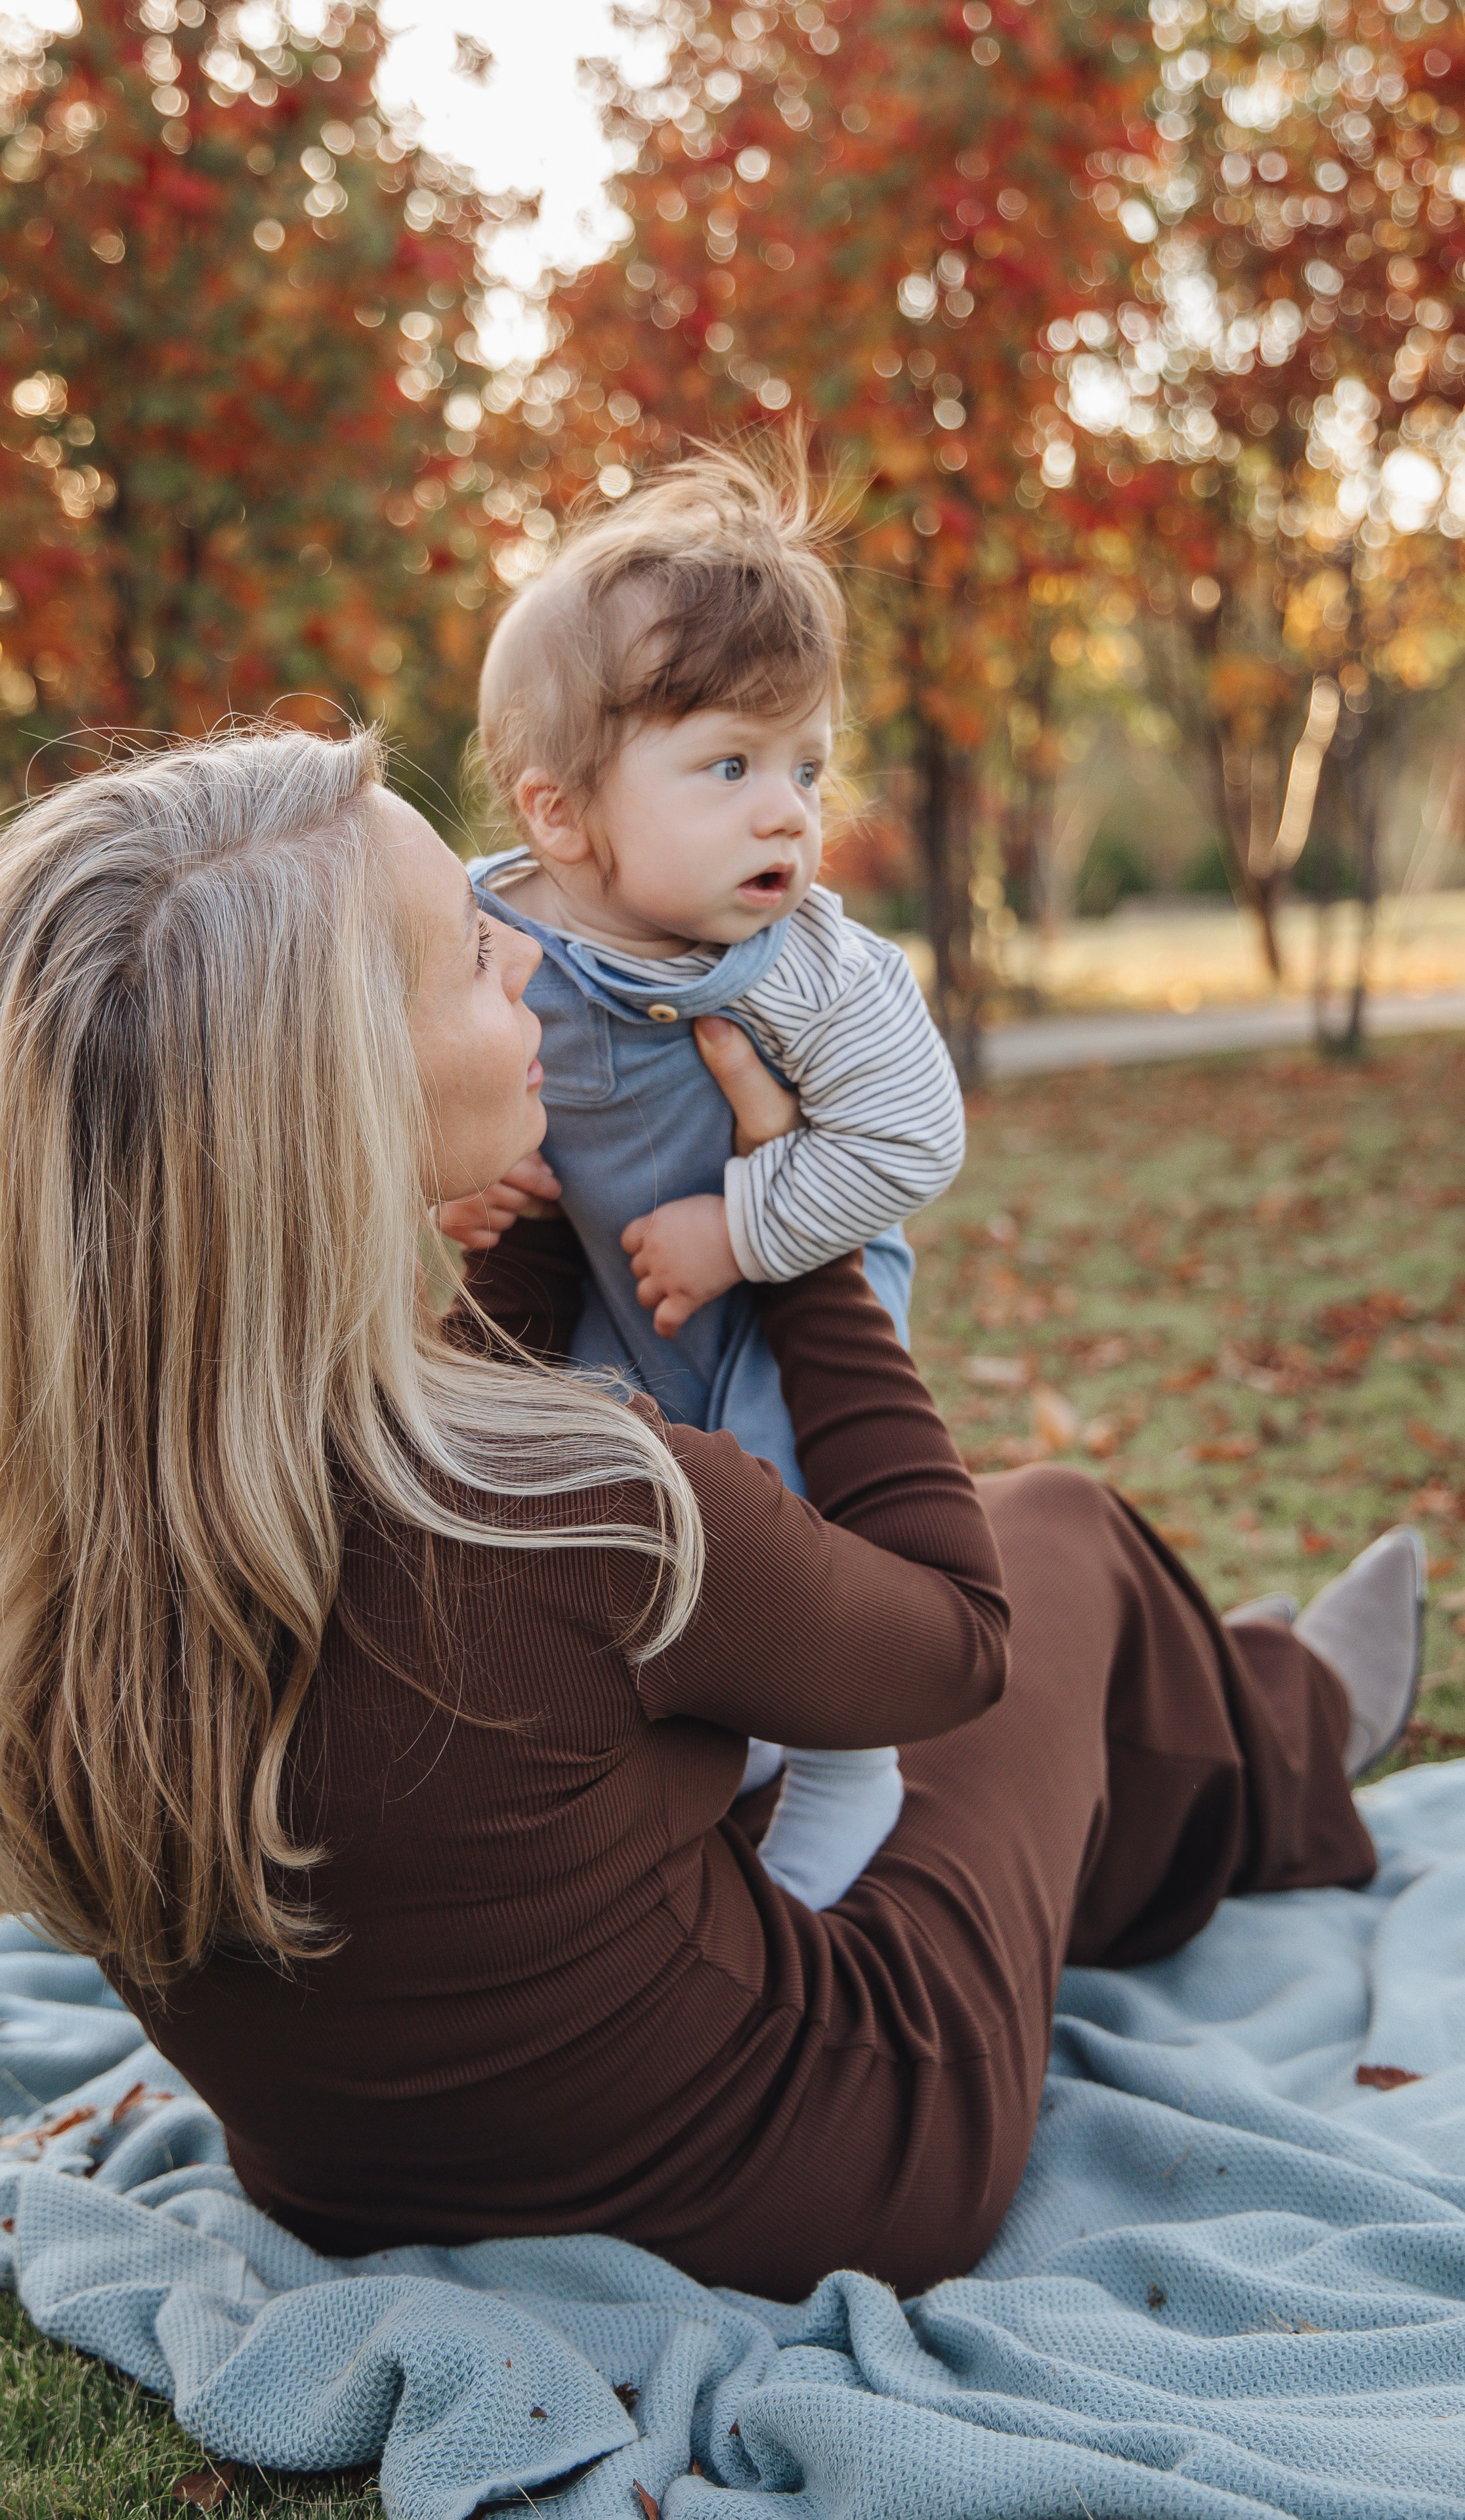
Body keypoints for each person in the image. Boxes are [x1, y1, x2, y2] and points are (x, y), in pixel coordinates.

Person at [0, 727, 1424, 2305]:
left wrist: (538, 1221)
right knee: (1055, 1534)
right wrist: (793, 1226)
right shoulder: (590, 1516)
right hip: (813, 2163)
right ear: (342, 1093)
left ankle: (1231, 1735)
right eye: (480, 951)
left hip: (346, 2176)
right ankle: (1286, 1746)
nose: (536, 970)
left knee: (952, 1683)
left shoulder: (16, 1539)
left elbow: (392, 1538)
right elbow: (953, 1642)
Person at [459, 446, 965, 1908]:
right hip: (612, 1315)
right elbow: (424, 1096)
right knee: (585, 1533)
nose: (786, 813)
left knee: (788, 1548)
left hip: (773, 1309)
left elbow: (910, 1139)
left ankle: (844, 1760)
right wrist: (457, 1193)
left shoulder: (806, 967)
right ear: (559, 817)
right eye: (729, 766)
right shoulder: (493, 936)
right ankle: (680, 1768)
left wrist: (741, 1230)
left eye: (805, 767)